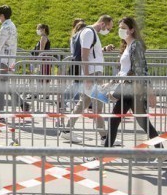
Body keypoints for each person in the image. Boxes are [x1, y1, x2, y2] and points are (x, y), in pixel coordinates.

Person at [102, 17, 161, 150]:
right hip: (127, 88)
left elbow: (142, 70)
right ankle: (161, 151)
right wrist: (110, 83)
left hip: (132, 89)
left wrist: (150, 91)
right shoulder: (127, 46)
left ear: (132, 30)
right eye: (119, 28)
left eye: (124, 28)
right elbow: (123, 71)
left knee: (115, 121)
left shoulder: (136, 45)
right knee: (141, 122)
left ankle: (103, 154)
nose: (120, 30)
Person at [61, 15, 114, 144]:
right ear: (102, 24)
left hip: (92, 73)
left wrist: (103, 50)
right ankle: (104, 137)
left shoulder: (90, 33)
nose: (108, 31)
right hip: (93, 74)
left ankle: (67, 130)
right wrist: (87, 77)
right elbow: (84, 56)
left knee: (84, 103)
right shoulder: (90, 33)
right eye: (108, 28)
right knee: (98, 106)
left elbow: (89, 53)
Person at [0, 4, 21, 114]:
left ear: (2, 15)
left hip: (2, 59)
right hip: (9, 59)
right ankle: (22, 103)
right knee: (5, 85)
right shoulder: (12, 25)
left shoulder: (5, 28)